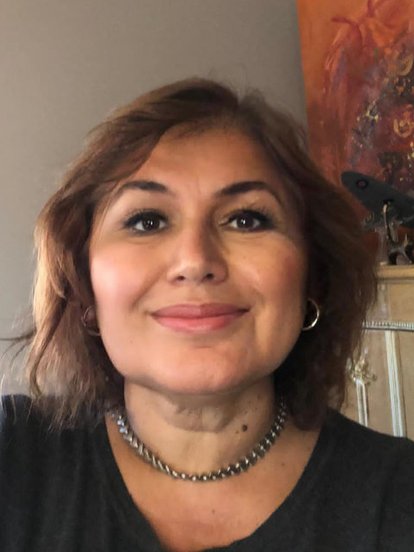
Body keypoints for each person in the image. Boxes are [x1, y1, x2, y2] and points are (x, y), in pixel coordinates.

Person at [1, 78, 413, 552]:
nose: (196, 261)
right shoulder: (14, 456)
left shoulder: (399, 496)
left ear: (311, 278)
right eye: (147, 221)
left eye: (246, 219)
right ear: (84, 283)